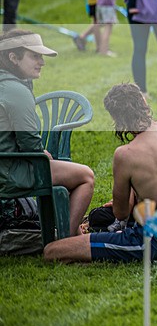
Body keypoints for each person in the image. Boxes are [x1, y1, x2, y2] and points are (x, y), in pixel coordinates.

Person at [43, 83, 157, 263]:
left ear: (116, 118)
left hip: (152, 242)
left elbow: (120, 213)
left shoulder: (126, 154)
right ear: (143, 101)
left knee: (52, 250)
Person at [0, 30, 94, 237]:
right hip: (9, 173)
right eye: (34, 56)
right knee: (86, 176)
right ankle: (64, 240)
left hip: (7, 165)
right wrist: (40, 152)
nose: (41, 62)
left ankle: (73, 231)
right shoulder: (15, 90)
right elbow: (29, 143)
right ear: (13, 58)